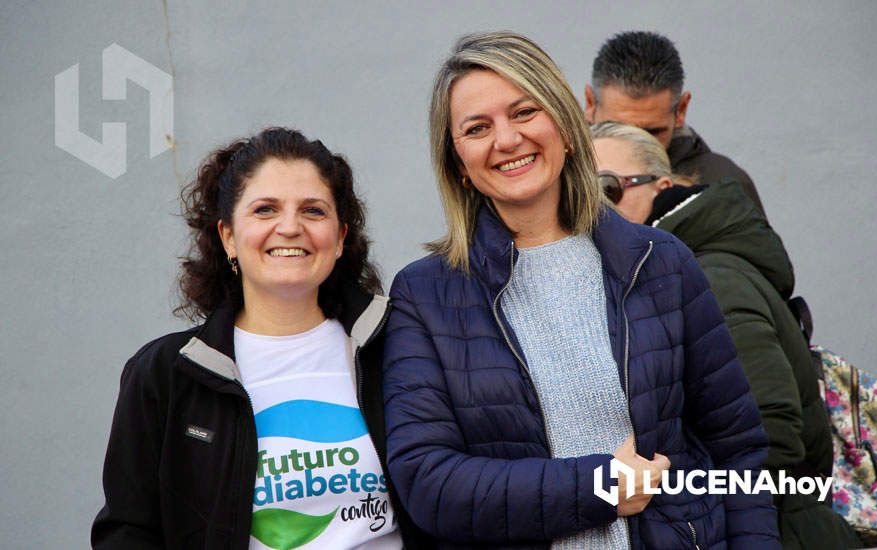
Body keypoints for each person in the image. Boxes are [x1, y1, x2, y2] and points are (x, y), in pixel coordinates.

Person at [383, 31, 779, 549]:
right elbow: (428, 483)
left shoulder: (662, 264)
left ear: (568, 129)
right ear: (459, 165)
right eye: (478, 128)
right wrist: (598, 486)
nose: (506, 139)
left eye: (524, 112)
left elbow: (738, 452)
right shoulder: (425, 294)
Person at [92, 127, 428, 549]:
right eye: (265, 210)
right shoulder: (165, 373)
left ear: (340, 238)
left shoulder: (395, 347)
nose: (290, 227)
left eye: (313, 211)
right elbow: (127, 532)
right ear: (228, 236)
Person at [590, 121, 861, 549]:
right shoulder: (662, 275)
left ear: (662, 185)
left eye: (607, 188)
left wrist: (668, 500)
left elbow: (768, 437)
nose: (593, 208)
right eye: (580, 194)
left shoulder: (709, 276)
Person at [584, 30, 767, 215]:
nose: (635, 144)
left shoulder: (723, 184)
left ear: (681, 110)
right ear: (590, 103)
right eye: (617, 130)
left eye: (651, 133)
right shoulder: (559, 173)